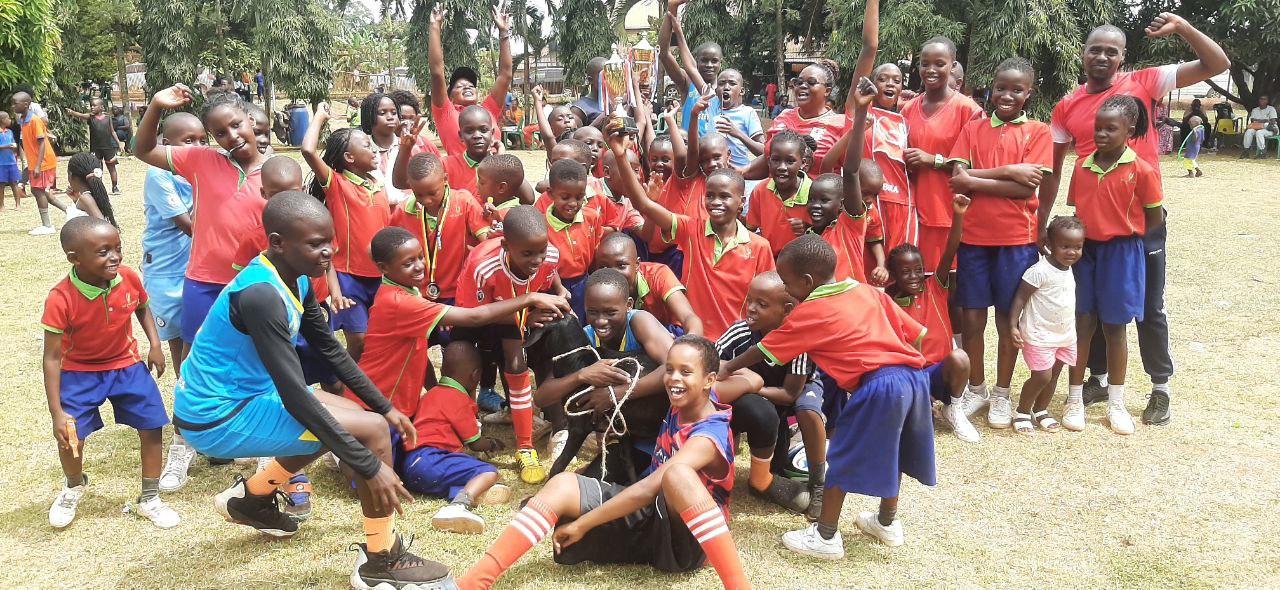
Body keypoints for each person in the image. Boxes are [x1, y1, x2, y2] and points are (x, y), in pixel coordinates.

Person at [172, 193, 457, 588]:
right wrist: (370, 465)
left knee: (354, 419)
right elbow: (295, 397)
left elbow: (330, 351)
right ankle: (381, 560)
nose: (328, 252)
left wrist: (385, 406)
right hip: (216, 416)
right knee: (366, 431)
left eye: (330, 241)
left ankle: (252, 499)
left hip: (247, 395)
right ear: (277, 242)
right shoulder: (261, 296)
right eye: (315, 244)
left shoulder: (298, 276)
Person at [457, 335, 759, 590]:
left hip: (687, 542)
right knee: (562, 484)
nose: (674, 379)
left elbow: (648, 488)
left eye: (686, 372)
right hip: (651, 519)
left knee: (677, 475)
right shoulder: (683, 399)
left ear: (709, 380)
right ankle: (475, 581)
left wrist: (583, 524)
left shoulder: (708, 436)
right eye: (669, 370)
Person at [1041, 14, 1228, 426]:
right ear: (1083, 54)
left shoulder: (1145, 82)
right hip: (1091, 227)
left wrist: (1182, 28)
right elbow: (1053, 172)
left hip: (1140, 227)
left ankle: (1160, 387)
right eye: (1095, 49)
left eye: (1112, 51)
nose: (1102, 56)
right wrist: (1041, 223)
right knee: (1091, 305)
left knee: (1147, 305)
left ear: (1122, 57)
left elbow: (1218, 64)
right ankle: (1098, 380)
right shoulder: (1066, 106)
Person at [719, 235, 934, 558]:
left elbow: (762, 349)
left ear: (807, 282)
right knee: (896, 451)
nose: (786, 289)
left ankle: (825, 536)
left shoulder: (810, 311)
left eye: (787, 282)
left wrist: (727, 367)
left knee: (842, 457)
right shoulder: (866, 290)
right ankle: (886, 522)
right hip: (913, 377)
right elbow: (916, 333)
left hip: (878, 385)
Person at [42, 217, 178, 529]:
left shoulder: (128, 277)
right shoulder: (60, 298)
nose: (115, 257)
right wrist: (56, 412)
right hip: (79, 372)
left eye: (118, 248)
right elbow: (51, 358)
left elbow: (142, 307)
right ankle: (73, 485)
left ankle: (150, 498)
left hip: (126, 366)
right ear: (75, 258)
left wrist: (155, 344)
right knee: (70, 437)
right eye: (103, 252)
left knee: (152, 425)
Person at [944, 57, 1053, 428]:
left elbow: (1025, 190)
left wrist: (974, 179)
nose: (1007, 95)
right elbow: (957, 177)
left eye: (1017, 90)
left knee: (1009, 319)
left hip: (1016, 241)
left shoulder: (1038, 131)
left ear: (1029, 93)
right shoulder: (973, 128)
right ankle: (977, 389)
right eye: (1001, 87)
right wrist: (1008, 171)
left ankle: (1002, 393)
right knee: (973, 318)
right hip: (974, 239)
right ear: (992, 87)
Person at [134, 86, 270, 355]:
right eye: (220, 133)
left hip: (257, 280)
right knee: (195, 356)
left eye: (236, 125)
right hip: (205, 281)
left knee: (254, 356)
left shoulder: (277, 171)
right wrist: (156, 105)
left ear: (250, 120)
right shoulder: (201, 161)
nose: (232, 136)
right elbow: (142, 149)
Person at [612, 119, 775, 341]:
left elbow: (769, 298)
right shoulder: (691, 229)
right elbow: (644, 204)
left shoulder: (759, 246)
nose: (715, 202)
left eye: (725, 196)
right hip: (692, 336)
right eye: (710, 195)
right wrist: (620, 156)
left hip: (737, 340)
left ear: (741, 202)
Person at [1064, 96, 1165, 435]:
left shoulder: (1142, 170)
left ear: (1129, 131)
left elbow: (1153, 218)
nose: (1102, 134)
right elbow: (1079, 210)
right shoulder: (1081, 166)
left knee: (1115, 328)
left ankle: (1116, 403)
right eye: (1098, 128)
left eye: (1111, 129)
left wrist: (1125, 235)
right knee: (1082, 324)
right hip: (1085, 254)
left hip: (1122, 254)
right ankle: (1074, 399)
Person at [454, 205, 569, 484]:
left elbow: (547, 273)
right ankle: (464, 431)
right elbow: (474, 315)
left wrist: (555, 292)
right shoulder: (483, 266)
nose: (537, 259)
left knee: (516, 365)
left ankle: (525, 447)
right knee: (464, 365)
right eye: (527, 254)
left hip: (512, 312)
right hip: (475, 311)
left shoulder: (550, 256)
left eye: (541, 251)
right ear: (506, 246)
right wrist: (526, 310)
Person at [716, 272, 826, 517]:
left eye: (762, 304)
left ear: (786, 310)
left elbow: (789, 394)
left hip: (791, 393)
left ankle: (818, 484)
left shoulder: (798, 342)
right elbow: (712, 363)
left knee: (808, 411)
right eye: (750, 300)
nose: (751, 308)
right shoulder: (740, 332)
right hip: (759, 400)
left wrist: (751, 385)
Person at [882, 196, 977, 443]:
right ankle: (920, 405)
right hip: (909, 376)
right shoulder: (887, 301)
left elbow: (951, 247)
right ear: (893, 274)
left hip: (939, 372)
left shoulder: (934, 286)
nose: (914, 276)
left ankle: (953, 407)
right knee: (919, 431)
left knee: (960, 357)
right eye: (905, 272)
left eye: (918, 270)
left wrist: (958, 214)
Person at [140, 113, 202, 492]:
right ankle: (186, 436)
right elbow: (191, 225)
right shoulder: (159, 174)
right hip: (166, 272)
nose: (195, 147)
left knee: (199, 350)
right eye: (186, 141)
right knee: (181, 351)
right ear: (165, 144)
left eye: (201, 140)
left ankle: (201, 425)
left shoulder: (202, 167)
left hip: (199, 270)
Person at [302, 102, 390, 363]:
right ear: (349, 158)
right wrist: (320, 116)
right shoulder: (337, 185)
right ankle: (344, 382)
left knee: (380, 339)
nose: (373, 150)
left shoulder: (377, 185)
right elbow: (308, 150)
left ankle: (367, 383)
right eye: (366, 145)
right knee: (359, 340)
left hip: (382, 276)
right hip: (349, 278)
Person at [900, 36, 984, 272]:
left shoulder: (969, 111)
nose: (931, 70)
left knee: (945, 283)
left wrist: (933, 160)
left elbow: (978, 166)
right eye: (925, 63)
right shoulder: (907, 110)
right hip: (912, 212)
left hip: (949, 214)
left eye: (939, 63)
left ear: (952, 65)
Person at [1008, 215, 1086, 434]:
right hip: (1039, 336)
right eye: (1065, 246)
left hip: (1064, 336)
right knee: (1042, 376)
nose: (1072, 252)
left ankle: (1041, 409)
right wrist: (1013, 325)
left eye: (1077, 247)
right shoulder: (1039, 271)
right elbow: (1020, 299)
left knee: (1054, 375)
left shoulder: (1068, 268)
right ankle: (1022, 412)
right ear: (1050, 244)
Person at [389, 147, 489, 304]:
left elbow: (487, 241)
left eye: (432, 193)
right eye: (418, 194)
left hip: (458, 291)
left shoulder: (464, 202)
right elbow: (389, 249)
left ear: (445, 179)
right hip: (417, 294)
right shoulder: (403, 210)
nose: (426, 200)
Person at [428, 6, 511, 155]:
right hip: (460, 170)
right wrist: (435, 27)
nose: (467, 87)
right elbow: (437, 73)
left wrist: (504, 32)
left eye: (471, 85)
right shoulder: (445, 112)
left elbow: (505, 76)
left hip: (494, 168)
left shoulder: (488, 110)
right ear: (450, 97)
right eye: (459, 86)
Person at [591, 231, 704, 336]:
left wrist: (689, 343)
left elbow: (688, 317)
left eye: (621, 265)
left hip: (671, 334)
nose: (613, 273)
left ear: (637, 264)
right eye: (604, 267)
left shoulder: (659, 275)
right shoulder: (598, 287)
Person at [660, 0, 724, 134]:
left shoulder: (725, 88)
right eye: (704, 60)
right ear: (696, 61)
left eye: (714, 61)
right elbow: (665, 54)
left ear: (720, 63)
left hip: (716, 147)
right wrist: (672, 9)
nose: (709, 65)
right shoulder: (688, 82)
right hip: (688, 146)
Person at [745, 131, 813, 256]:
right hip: (769, 259)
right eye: (776, 160)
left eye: (790, 161)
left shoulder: (813, 193)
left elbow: (824, 233)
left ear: (803, 163)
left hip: (802, 261)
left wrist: (808, 229)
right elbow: (751, 230)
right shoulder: (761, 190)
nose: (782, 167)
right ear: (768, 161)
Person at [13, 91, 68, 235]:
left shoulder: (34, 120)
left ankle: (47, 225)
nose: (13, 106)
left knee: (38, 191)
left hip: (42, 161)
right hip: (34, 162)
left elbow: (42, 143)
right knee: (39, 190)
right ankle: (69, 210)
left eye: (15, 103)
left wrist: (38, 165)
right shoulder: (22, 120)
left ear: (26, 104)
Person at [65, 99, 123, 194]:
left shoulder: (108, 118)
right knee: (97, 169)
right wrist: (72, 112)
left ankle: (115, 186)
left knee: (111, 167)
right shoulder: (90, 117)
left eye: (94, 105)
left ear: (101, 107)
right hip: (95, 148)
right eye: (91, 105)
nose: (92, 107)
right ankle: (99, 188)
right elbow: (81, 115)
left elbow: (112, 131)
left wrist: (119, 143)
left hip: (108, 147)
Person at [713, 69, 765, 167]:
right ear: (716, 91)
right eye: (721, 84)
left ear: (742, 91)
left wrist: (737, 133)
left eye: (732, 83)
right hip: (713, 170)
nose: (726, 87)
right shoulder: (711, 110)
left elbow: (764, 151)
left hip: (739, 170)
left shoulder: (747, 113)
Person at [444, 105, 496, 196]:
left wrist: (500, 162)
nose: (477, 136)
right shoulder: (446, 165)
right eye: (469, 131)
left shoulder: (503, 165)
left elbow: (524, 197)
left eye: (483, 130)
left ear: (492, 133)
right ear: (461, 136)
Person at [64, 153, 118, 225]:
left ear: (70, 175)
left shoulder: (86, 197)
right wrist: (75, 200)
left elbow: (103, 226)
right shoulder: (91, 194)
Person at [0, 111, 24, 209]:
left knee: (14, 183)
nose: (10, 120)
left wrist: (14, 148)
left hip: (11, 162)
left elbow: (13, 143)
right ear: (2, 120)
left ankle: (18, 204)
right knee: (1, 185)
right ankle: (1, 206)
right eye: (8, 118)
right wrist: (7, 146)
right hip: (1, 164)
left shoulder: (10, 132)